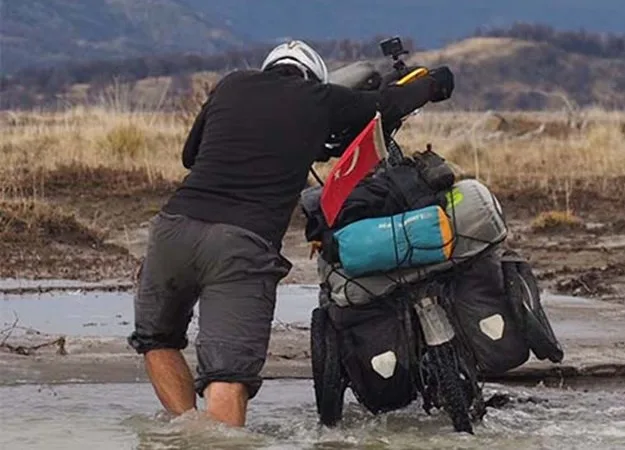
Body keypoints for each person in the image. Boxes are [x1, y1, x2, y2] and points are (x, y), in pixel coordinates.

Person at [127, 40, 455, 428]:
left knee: (157, 339)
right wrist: (435, 83)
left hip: (173, 231)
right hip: (241, 245)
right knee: (227, 375)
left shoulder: (232, 84)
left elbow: (190, 156)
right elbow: (388, 103)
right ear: (313, 75)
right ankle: (213, 440)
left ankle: (186, 430)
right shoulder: (319, 98)